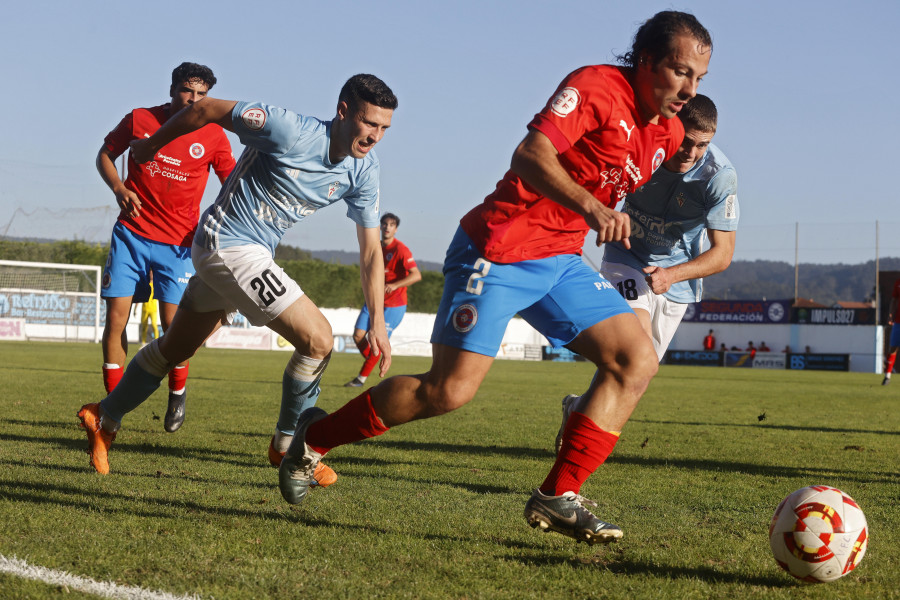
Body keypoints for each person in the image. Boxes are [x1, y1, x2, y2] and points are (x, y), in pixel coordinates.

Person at [277, 11, 712, 547]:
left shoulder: (668, 132)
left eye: (699, 80)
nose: (689, 89)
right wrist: (592, 207)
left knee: (636, 360)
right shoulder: (596, 86)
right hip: (500, 249)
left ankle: (558, 494)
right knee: (448, 392)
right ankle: (312, 439)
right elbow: (530, 155)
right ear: (646, 60)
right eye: (680, 72)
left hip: (561, 260)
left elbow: (653, 177)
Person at [77, 74, 398, 479]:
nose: (375, 136)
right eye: (370, 123)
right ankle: (287, 448)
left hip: (245, 255)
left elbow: (371, 251)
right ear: (344, 111)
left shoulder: (363, 171)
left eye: (384, 128)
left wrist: (379, 323)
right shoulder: (289, 129)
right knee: (318, 340)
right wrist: (149, 146)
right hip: (225, 243)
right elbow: (203, 109)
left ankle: (102, 416)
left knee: (175, 349)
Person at [556, 93, 737, 452]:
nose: (691, 152)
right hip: (627, 258)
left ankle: (576, 408)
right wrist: (597, 218)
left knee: (639, 371)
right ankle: (578, 454)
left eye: (703, 145)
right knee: (633, 347)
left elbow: (722, 255)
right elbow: (599, 189)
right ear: (671, 127)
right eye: (686, 141)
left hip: (677, 281)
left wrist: (673, 275)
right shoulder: (641, 148)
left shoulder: (719, 177)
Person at [97, 62, 236, 433]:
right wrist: (119, 189)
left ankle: (178, 391)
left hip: (178, 245)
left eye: (201, 95)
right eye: (187, 92)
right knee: (116, 322)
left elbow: (232, 185)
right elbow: (105, 155)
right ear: (172, 89)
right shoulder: (140, 118)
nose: (193, 100)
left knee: (176, 328)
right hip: (131, 235)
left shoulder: (215, 136)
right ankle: (111, 415)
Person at [345, 212, 421, 387]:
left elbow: (416, 275)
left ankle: (360, 379)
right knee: (358, 336)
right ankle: (374, 360)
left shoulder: (401, 250)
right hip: (374, 299)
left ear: (396, 229)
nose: (387, 227)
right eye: (384, 224)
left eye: (391, 225)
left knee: (378, 341)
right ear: (380, 226)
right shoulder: (376, 247)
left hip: (394, 305)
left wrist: (395, 285)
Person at [134, 271, 160, 347]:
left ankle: (157, 342)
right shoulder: (145, 284)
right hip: (145, 309)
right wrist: (135, 309)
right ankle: (143, 343)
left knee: (154, 325)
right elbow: (139, 296)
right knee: (144, 326)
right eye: (149, 274)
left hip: (153, 309)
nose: (151, 275)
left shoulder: (156, 285)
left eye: (152, 274)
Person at [882, 277, 900, 384]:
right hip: (898, 322)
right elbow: (894, 300)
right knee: (892, 348)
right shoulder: (898, 282)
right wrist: (890, 314)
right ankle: (887, 377)